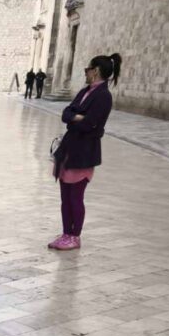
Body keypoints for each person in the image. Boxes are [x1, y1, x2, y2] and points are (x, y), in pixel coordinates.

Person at [50, 53, 120, 250]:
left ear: (95, 71)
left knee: (75, 196)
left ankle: (75, 236)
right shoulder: (84, 91)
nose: (85, 73)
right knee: (65, 196)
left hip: (84, 151)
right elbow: (66, 114)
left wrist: (77, 118)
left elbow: (91, 124)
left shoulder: (104, 96)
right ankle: (66, 233)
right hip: (68, 148)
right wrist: (77, 117)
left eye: (87, 69)